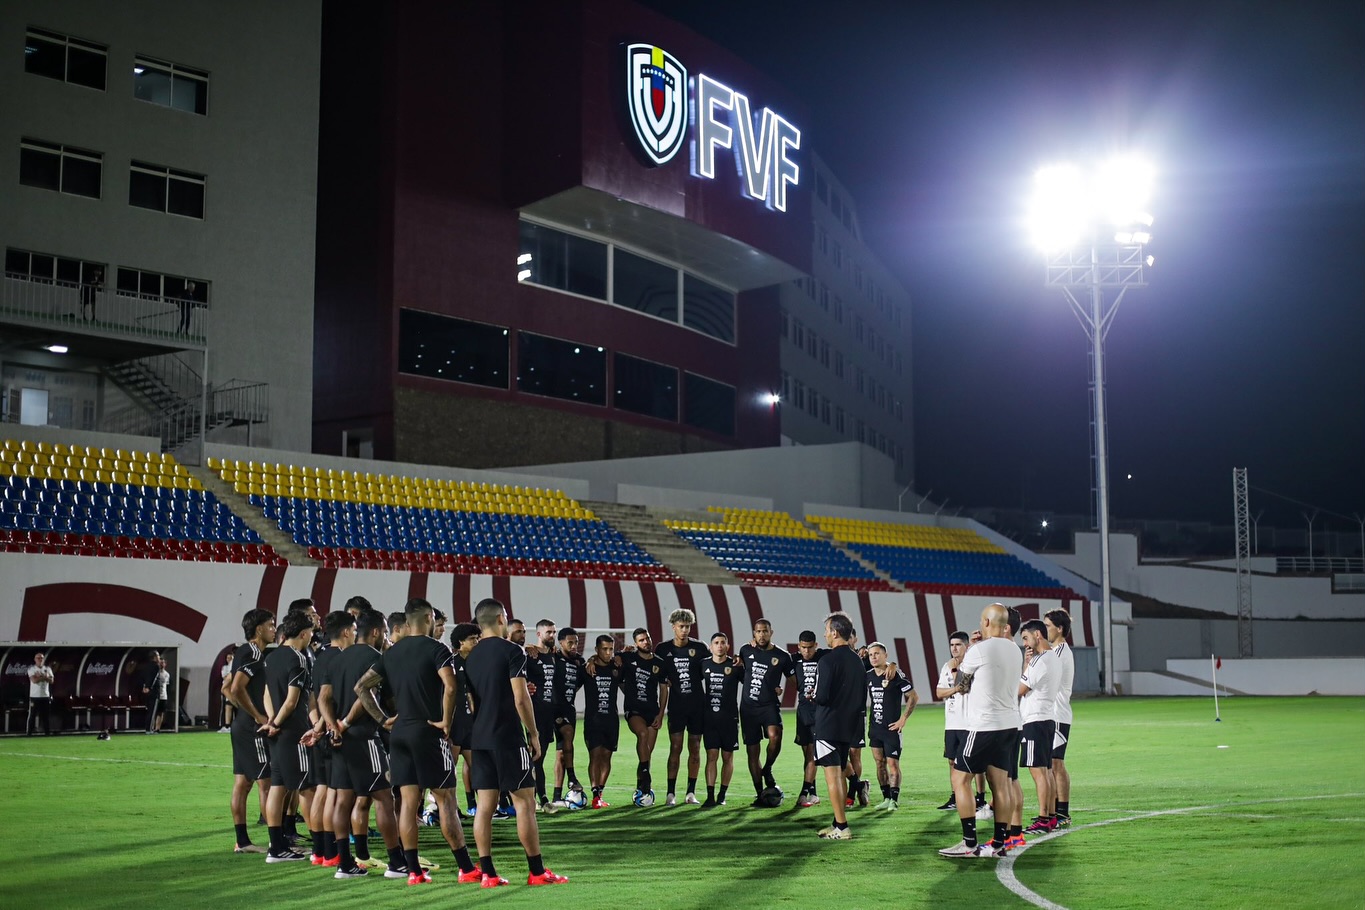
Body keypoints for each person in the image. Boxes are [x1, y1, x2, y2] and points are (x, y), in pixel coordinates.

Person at [352, 598, 480, 885]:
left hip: (400, 735)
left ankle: (413, 871)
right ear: (428, 618)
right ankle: (466, 867)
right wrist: (446, 720)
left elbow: (361, 687)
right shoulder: (438, 649)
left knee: (408, 803)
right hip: (428, 733)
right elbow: (450, 686)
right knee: (445, 798)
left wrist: (383, 718)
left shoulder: (391, 654)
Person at [463, 597, 569, 887]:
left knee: (485, 806)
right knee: (525, 803)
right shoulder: (513, 651)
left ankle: (487, 873)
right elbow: (521, 698)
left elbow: (472, 701)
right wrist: (533, 734)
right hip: (508, 736)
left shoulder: (470, 656)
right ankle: (536, 872)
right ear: (500, 619)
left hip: (480, 737)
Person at [939, 604, 1023, 858]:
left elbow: (959, 685)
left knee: (959, 779)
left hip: (984, 725)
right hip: (1010, 724)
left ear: (986, 622)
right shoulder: (1014, 649)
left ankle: (969, 842)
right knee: (1001, 784)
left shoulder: (979, 651)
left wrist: (972, 651)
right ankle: (1000, 843)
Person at [331, 609, 404, 879]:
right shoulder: (376, 658)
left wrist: (332, 726)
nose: (384, 636)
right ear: (375, 632)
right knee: (385, 798)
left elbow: (323, 697)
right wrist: (382, 719)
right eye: (384, 631)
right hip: (364, 737)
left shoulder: (338, 659)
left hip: (339, 739)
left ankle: (345, 865)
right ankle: (397, 863)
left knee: (343, 800)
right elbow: (366, 692)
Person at [261, 611, 319, 863]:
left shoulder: (271, 657)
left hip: (276, 732)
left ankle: (276, 848)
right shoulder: (299, 659)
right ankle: (322, 848)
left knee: (278, 786)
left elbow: (266, 693)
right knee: (307, 788)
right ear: (304, 633)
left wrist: (271, 722)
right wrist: (278, 722)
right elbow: (293, 700)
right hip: (294, 733)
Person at [223, 608, 276, 854]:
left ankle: (242, 841)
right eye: (271, 625)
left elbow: (226, 687)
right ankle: (278, 842)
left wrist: (244, 712)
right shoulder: (254, 652)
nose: (274, 630)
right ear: (258, 630)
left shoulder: (244, 653)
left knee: (243, 784)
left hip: (241, 726)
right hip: (253, 728)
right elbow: (235, 688)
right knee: (267, 783)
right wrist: (257, 716)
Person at [311, 610, 356, 867]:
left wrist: (317, 726)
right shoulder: (340, 658)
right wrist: (328, 726)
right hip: (335, 731)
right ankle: (331, 853)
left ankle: (320, 851)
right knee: (334, 795)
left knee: (322, 790)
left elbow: (315, 696)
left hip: (323, 730)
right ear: (347, 631)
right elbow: (330, 698)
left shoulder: (319, 656)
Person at [814, 612, 864, 840]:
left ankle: (842, 827)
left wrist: (812, 695)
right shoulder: (857, 660)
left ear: (834, 632)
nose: (825, 634)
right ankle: (838, 822)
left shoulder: (827, 660)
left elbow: (822, 696)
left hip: (828, 725)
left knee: (832, 776)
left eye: (826, 630)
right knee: (840, 774)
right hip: (848, 725)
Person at [655, 608, 708, 806]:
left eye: (687, 627)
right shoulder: (662, 649)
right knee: (675, 748)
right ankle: (670, 793)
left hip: (697, 707)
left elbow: (713, 668)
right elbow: (654, 672)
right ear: (673, 627)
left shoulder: (701, 648)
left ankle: (690, 793)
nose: (684, 630)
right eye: (681, 627)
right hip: (676, 707)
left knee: (695, 748)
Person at [739, 618, 794, 805]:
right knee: (752, 752)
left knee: (775, 735)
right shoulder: (746, 650)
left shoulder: (783, 656)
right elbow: (740, 672)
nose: (761, 635)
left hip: (769, 705)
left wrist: (783, 689)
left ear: (771, 632)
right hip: (748, 708)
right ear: (754, 633)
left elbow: (794, 679)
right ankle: (759, 793)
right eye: (758, 631)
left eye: (765, 631)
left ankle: (768, 768)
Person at [935, 631, 987, 814]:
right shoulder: (946, 667)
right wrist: (954, 688)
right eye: (952, 645)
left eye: (958, 645)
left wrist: (955, 684)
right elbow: (939, 693)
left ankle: (980, 796)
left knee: (975, 762)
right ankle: (956, 795)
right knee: (951, 761)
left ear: (966, 646)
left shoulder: (970, 666)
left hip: (970, 722)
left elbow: (963, 689)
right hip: (952, 722)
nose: (954, 648)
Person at [1019, 619, 1061, 838]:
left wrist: (1026, 666)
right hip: (1046, 719)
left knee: (1038, 771)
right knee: (1045, 770)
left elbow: (1019, 689)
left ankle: (1044, 818)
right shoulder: (1050, 658)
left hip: (1035, 720)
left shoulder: (1041, 661)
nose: (1025, 643)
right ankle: (1051, 816)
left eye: (1026, 637)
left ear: (1037, 635)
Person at [619, 627, 669, 803]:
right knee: (642, 734)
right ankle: (646, 780)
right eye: (641, 640)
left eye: (647, 638)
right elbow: (615, 668)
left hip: (652, 711)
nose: (646, 642)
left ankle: (641, 789)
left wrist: (661, 714)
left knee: (646, 755)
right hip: (634, 710)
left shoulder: (660, 663)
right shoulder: (628, 658)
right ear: (635, 643)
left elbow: (664, 689)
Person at [865, 642, 916, 810]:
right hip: (875, 728)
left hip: (892, 729)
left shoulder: (895, 674)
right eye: (871, 654)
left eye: (877, 653)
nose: (873, 657)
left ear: (885, 655)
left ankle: (894, 799)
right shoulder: (868, 675)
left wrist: (903, 719)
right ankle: (886, 798)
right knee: (879, 763)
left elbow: (913, 696)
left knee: (893, 765)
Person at [699, 632, 741, 808]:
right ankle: (710, 796)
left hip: (729, 719)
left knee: (727, 757)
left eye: (723, 642)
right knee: (711, 756)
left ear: (728, 646)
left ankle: (722, 795)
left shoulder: (736, 665)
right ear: (711, 647)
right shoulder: (704, 664)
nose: (720, 645)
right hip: (710, 719)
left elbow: (753, 682)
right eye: (716, 642)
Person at [582, 635, 623, 808]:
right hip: (593, 720)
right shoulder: (588, 669)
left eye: (611, 649)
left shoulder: (617, 666)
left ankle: (600, 794)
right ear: (597, 650)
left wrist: (622, 654)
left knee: (607, 757)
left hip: (612, 720)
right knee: (595, 756)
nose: (608, 653)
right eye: (604, 649)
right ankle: (594, 794)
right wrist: (590, 660)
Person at [1045, 608, 1076, 827]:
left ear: (1060, 628)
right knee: (1052, 764)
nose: (1045, 630)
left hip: (1057, 715)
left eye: (1048, 626)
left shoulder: (1059, 653)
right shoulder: (1058, 651)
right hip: (1055, 715)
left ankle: (1062, 812)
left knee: (1056, 764)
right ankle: (1057, 811)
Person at [524, 619, 559, 812]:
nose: (552, 636)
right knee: (532, 757)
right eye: (549, 633)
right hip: (532, 712)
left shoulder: (555, 656)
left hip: (547, 714)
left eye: (554, 632)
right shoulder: (529, 655)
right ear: (538, 634)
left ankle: (538, 798)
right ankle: (539, 798)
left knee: (540, 757)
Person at [549, 627, 586, 806]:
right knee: (567, 734)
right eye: (570, 642)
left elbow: (578, 684)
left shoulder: (580, 661)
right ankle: (571, 776)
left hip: (567, 709)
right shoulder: (553, 657)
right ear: (561, 642)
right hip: (551, 709)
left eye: (576, 642)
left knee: (561, 754)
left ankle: (556, 797)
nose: (574, 646)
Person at [791, 631, 824, 806]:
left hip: (820, 711)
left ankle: (804, 792)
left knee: (816, 753)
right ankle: (814, 793)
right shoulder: (793, 659)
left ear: (816, 645)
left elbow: (849, 655)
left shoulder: (825, 656)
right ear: (799, 646)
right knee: (807, 754)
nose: (806, 651)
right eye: (803, 647)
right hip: (802, 711)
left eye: (810, 647)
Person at [26, 652, 55, 735]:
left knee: (45, 716)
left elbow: (52, 680)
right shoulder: (32, 669)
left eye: (41, 658)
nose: (40, 659)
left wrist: (40, 677)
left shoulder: (48, 669)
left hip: (45, 696)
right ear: (35, 659)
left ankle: (47, 733)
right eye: (38, 658)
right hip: (34, 696)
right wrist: (44, 677)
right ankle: (29, 733)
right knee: (32, 715)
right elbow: (34, 680)